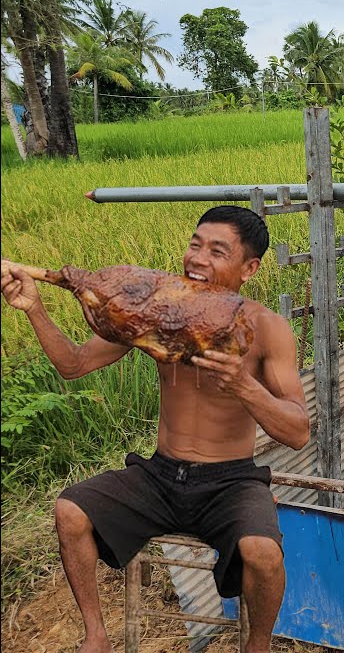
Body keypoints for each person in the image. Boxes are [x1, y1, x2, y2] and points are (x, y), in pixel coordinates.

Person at [0, 206, 310, 653]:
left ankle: (256, 646)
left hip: (230, 481)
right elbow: (74, 364)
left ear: (249, 269)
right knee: (69, 511)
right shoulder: (156, 310)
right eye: (195, 245)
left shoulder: (266, 328)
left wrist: (243, 385)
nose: (198, 258)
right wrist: (34, 307)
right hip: (160, 475)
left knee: (263, 552)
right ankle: (96, 637)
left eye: (217, 251)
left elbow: (298, 431)